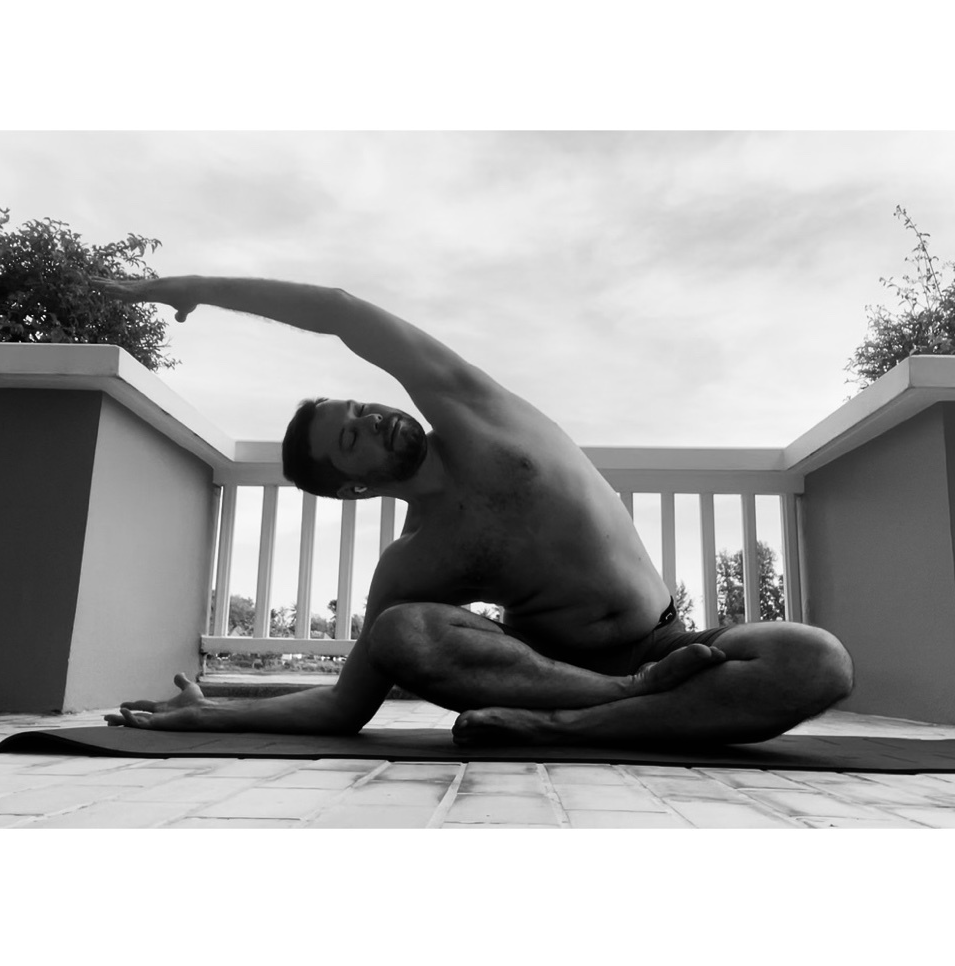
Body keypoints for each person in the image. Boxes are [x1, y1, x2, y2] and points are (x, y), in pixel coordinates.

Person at [92, 274, 853, 746]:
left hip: (669, 644)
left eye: (360, 406)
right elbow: (341, 705)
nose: (375, 417)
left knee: (819, 660)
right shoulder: (415, 558)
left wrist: (196, 285)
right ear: (352, 485)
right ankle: (616, 706)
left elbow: (337, 309)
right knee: (398, 630)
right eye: (351, 437)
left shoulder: (470, 405)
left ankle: (579, 730)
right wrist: (210, 713)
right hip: (550, 674)